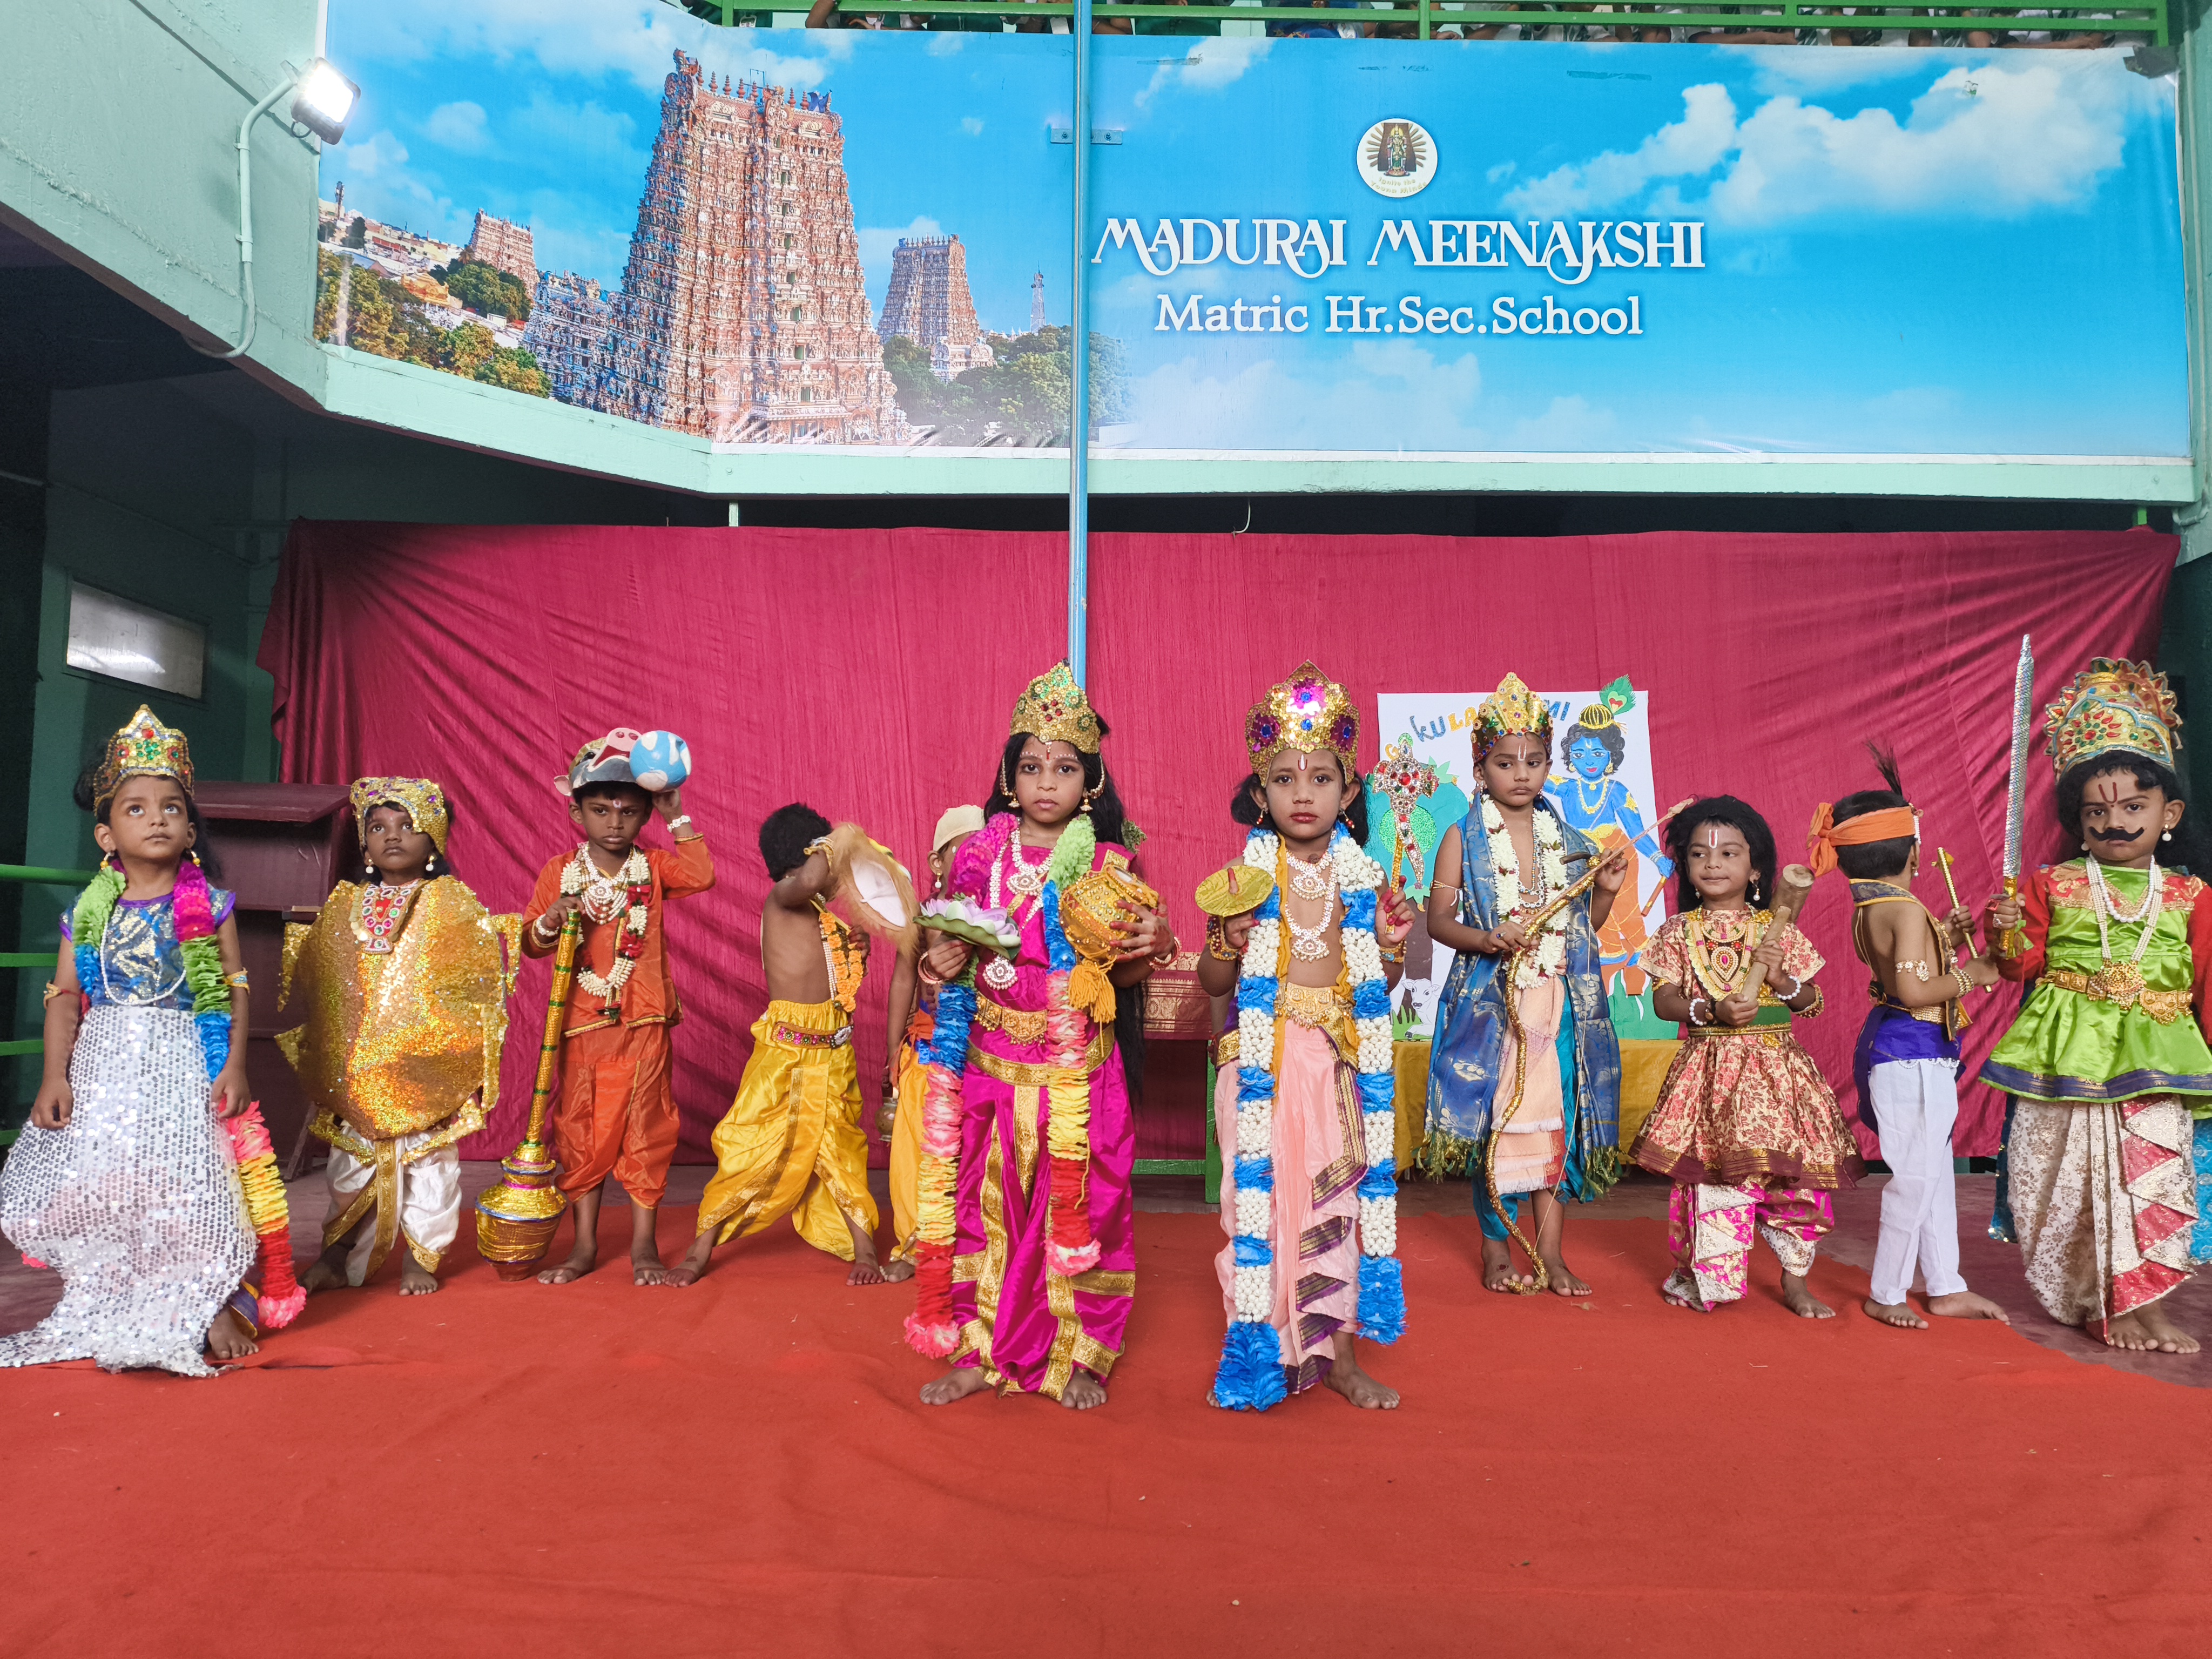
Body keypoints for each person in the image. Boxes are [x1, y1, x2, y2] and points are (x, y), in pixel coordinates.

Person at [906, 663, 1175, 1410]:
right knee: (980, 1209)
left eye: (1063, 768)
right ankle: (976, 1348)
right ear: (1008, 776)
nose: (1045, 782)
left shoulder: (1110, 865)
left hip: (1075, 1074)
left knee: (1083, 1208)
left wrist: (1148, 949)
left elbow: (1118, 985)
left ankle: (1081, 1354)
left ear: (1089, 782)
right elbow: (946, 959)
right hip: (990, 1065)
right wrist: (943, 960)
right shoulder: (977, 857)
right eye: (1030, 767)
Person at [0, 707, 260, 1373]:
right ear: (106, 834)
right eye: (137, 809)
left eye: (172, 808)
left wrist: (232, 1064)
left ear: (191, 829)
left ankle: (215, 1298)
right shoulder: (86, 913)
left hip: (183, 1061)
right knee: (109, 1182)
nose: (157, 819)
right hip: (105, 1064)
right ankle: (120, 1284)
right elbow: (63, 1001)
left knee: (194, 1182)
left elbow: (233, 989)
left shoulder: (214, 906)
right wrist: (55, 1077)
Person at [1198, 663, 1415, 1410]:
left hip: (1336, 1066)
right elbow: (1215, 987)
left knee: (1335, 1207)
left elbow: (1377, 993)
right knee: (1259, 1210)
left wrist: (1390, 948)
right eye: (1284, 780)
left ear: (1348, 794)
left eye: (1321, 779)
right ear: (1259, 794)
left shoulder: (1363, 878)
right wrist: (1225, 938)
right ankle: (1261, 1350)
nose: (1302, 794)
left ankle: (1342, 1359)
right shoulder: (1243, 877)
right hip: (1261, 1063)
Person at [1984, 659, 2212, 1354]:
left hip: (2160, 1056)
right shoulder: (2051, 883)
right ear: (2077, 821)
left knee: (2151, 1175)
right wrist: (2002, 928)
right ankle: (2097, 1303)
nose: (2114, 823)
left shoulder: (2191, 896)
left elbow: (2206, 981)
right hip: (2066, 1059)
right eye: (2095, 811)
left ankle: (2146, 1304)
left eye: (2132, 808)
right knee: (2076, 1182)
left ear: (2168, 813)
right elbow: (2018, 964)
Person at [1425, 673, 1626, 1296]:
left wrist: (1609, 892)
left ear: (1548, 767)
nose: (1520, 774)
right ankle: (1494, 1249)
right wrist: (1489, 939)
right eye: (1505, 762)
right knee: (1497, 1127)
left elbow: (1580, 930)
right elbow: (1437, 923)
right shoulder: (1460, 837)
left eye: (1534, 761)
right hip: (1491, 1005)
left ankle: (1553, 1254)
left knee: (1556, 1123)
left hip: (1558, 1005)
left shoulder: (1570, 842)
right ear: (1479, 768)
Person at [284, 779, 516, 1297]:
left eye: (410, 826)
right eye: (378, 827)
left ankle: (421, 1259)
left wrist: (443, 1049)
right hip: (362, 1065)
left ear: (435, 838)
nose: (394, 837)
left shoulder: (453, 905)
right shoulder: (346, 906)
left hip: (427, 1063)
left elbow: (469, 981)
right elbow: (331, 985)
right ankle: (335, 1254)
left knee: (430, 1167)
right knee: (349, 1167)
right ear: (364, 844)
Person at [1631, 797, 1862, 1318]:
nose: (1713, 864)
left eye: (1729, 853)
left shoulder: (1774, 930)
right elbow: (1663, 1000)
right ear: (1686, 868)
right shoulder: (1677, 932)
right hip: (1710, 1071)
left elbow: (1812, 1003)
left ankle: (1797, 1281)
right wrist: (1708, 1007)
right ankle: (1713, 1280)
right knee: (1715, 1177)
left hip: (1776, 1074)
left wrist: (1782, 980)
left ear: (1755, 867)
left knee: (1794, 1181)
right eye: (1698, 855)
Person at [675, 807, 917, 1287]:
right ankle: (699, 1250)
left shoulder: (823, 916)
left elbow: (834, 985)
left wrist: (854, 954)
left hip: (833, 1053)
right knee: (749, 1146)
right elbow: (808, 879)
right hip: (785, 1053)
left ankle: (863, 1250)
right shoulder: (783, 898)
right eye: (830, 861)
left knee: (842, 1150)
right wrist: (841, 840)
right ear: (810, 856)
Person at [1810, 753, 2010, 1330]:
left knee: (1932, 1170)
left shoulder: (1875, 906)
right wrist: (1979, 972)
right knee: (1917, 1176)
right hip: (1909, 1053)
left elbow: (1904, 970)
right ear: (1912, 852)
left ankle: (1944, 1284)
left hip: (1904, 1050)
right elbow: (1915, 990)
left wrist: (1945, 938)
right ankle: (1887, 1291)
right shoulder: (1905, 908)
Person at [522, 729, 714, 1287]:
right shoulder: (560, 873)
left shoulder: (652, 866)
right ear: (577, 812)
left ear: (644, 817)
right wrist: (551, 919)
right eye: (601, 809)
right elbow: (532, 943)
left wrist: (677, 815)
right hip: (582, 1023)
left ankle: (643, 1248)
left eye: (629, 812)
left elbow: (702, 874)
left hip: (645, 1019)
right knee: (580, 1131)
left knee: (646, 1130)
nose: (614, 822)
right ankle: (582, 1247)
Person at [882, 804, 986, 1283]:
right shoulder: (922, 918)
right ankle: (912, 1245)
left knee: (972, 1155)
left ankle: (975, 1247)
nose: (973, 858)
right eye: (961, 849)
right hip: (925, 1052)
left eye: (982, 850)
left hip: (982, 1055)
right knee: (915, 1152)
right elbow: (903, 981)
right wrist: (891, 1053)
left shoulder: (997, 916)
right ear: (937, 863)